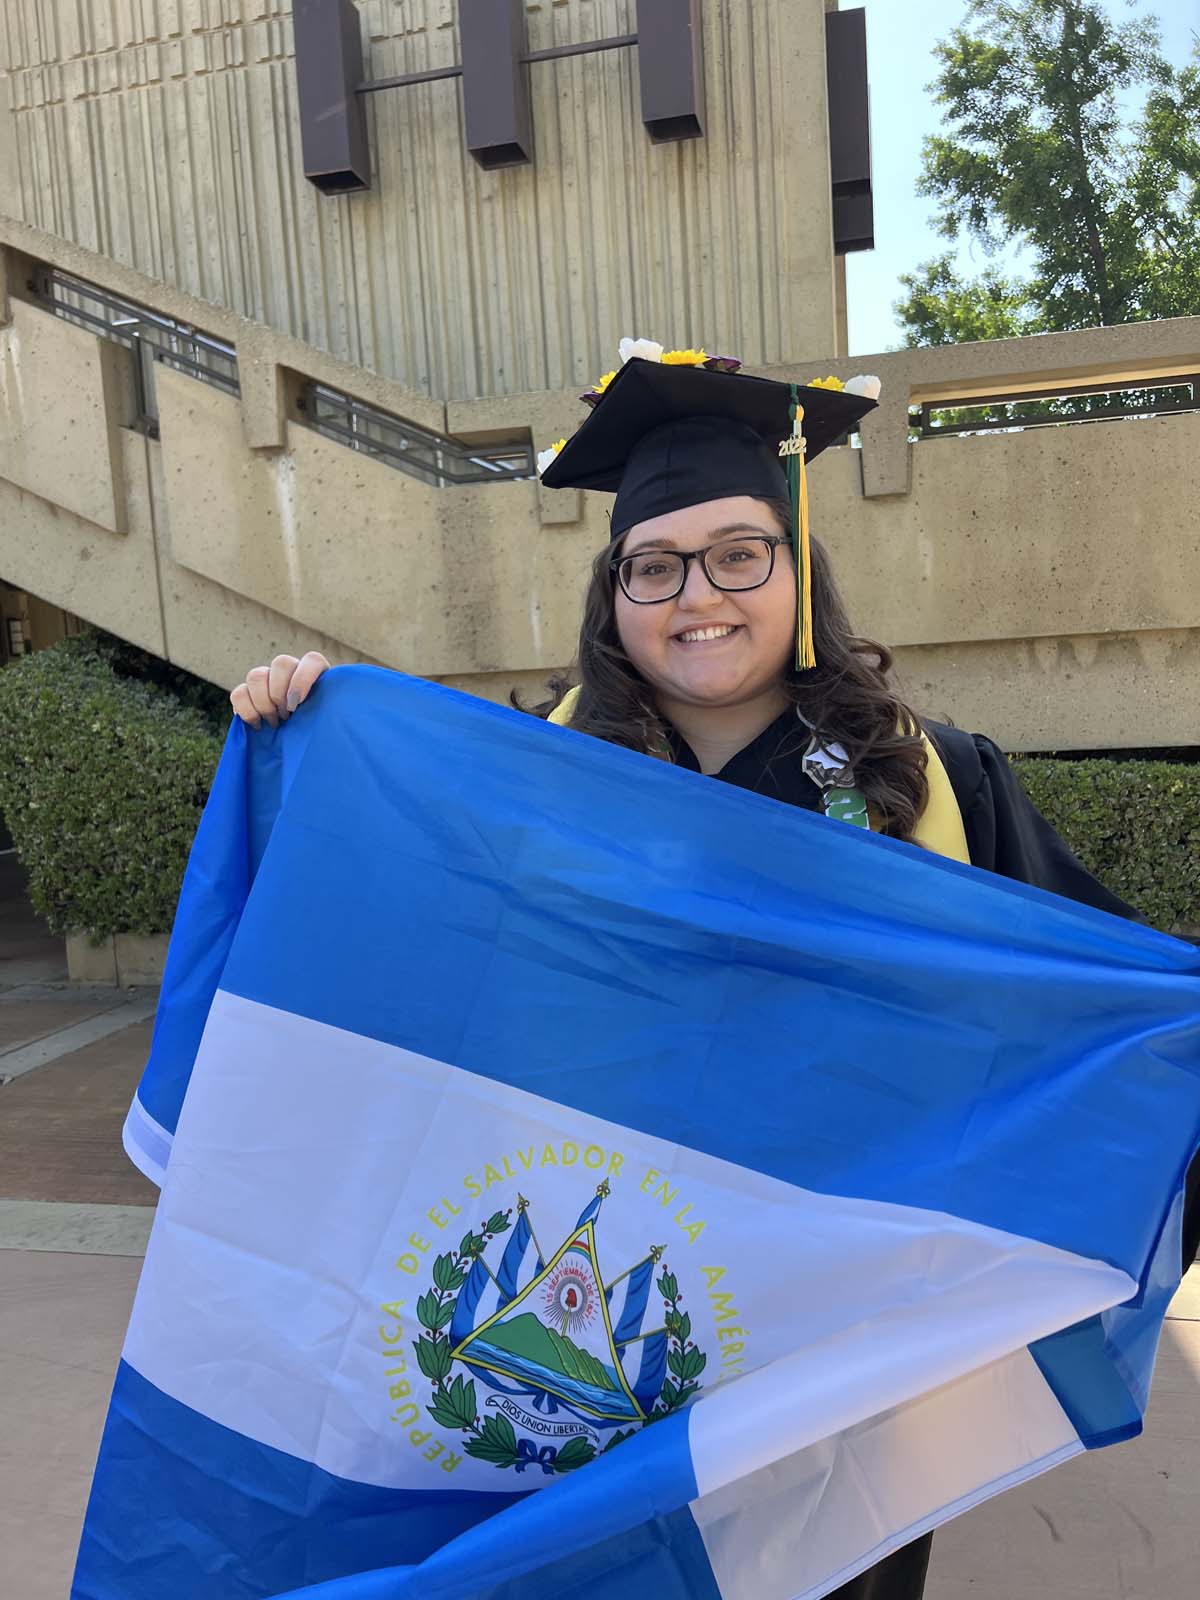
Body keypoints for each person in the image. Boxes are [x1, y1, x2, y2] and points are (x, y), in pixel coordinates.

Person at [230, 343, 1197, 1600]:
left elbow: (1104, 1008)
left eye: (741, 553)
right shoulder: (534, 781)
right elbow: (384, 941)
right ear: (613, 592)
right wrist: (305, 735)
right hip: (604, 1300)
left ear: (798, 569)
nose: (700, 595)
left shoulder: (935, 784)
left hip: (843, 1318)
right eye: (656, 565)